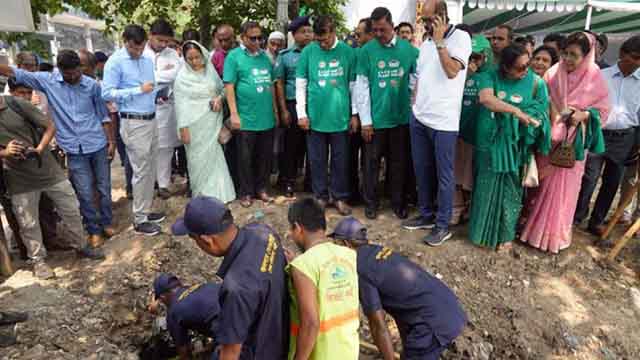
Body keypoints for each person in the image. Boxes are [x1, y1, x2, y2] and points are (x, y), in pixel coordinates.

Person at [1, 50, 116, 248]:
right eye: (67, 74)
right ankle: (93, 230)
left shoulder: (92, 86)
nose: (72, 77)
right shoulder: (48, 81)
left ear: (81, 68)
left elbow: (103, 115)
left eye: (76, 72)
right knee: (84, 192)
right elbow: (15, 73)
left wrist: (111, 141)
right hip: (73, 148)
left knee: (104, 189)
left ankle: (106, 223)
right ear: (60, 70)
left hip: (96, 143)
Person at [521, 32, 609, 253]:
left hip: (571, 147)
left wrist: (585, 115)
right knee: (538, 187)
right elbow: (541, 98)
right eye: (566, 53)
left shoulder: (595, 78)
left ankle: (553, 238)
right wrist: (553, 114)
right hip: (548, 141)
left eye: (574, 55)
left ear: (587, 57)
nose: (568, 59)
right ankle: (529, 231)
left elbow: (604, 112)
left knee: (563, 193)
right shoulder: (553, 72)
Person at [331, 217, 467, 360]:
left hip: (432, 326)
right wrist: (405, 348)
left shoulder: (359, 268)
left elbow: (378, 325)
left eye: (336, 244)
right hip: (451, 309)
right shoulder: (378, 251)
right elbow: (399, 313)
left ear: (345, 244)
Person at [0, 94, 105, 278]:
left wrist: (39, 148)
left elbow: (50, 126)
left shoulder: (15, 104)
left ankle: (81, 246)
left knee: (71, 209)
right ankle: (38, 261)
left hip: (48, 170)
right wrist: (5, 152)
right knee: (28, 223)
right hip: (19, 179)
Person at [171, 196, 288, 360]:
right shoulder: (264, 232)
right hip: (281, 334)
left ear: (207, 240)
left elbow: (231, 353)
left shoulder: (236, 287)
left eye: (194, 239)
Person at [468, 44, 551, 251]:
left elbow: (541, 112)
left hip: (516, 145)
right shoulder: (490, 75)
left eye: (527, 65)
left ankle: (505, 236)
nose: (525, 71)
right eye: (519, 68)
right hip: (488, 141)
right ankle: (481, 235)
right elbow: (486, 98)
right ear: (505, 67)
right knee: (485, 186)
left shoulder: (536, 83)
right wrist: (516, 112)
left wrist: (524, 118)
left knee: (511, 191)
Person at [402, 0, 471, 246]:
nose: (426, 25)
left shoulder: (461, 38)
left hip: (444, 121)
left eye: (430, 20)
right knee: (422, 169)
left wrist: (441, 40)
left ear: (442, 16)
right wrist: (414, 104)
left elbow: (452, 71)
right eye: (424, 20)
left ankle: (442, 225)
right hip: (420, 116)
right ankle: (426, 215)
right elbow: (422, 76)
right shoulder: (427, 43)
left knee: (444, 176)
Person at [103, 24, 167, 236]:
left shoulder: (147, 60)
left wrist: (157, 94)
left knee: (150, 169)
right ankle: (139, 220)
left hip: (151, 118)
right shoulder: (115, 62)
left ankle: (146, 210)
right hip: (133, 121)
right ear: (125, 41)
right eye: (134, 48)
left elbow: (151, 87)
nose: (138, 52)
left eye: (141, 48)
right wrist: (137, 90)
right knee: (140, 171)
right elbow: (108, 93)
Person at [355, 7, 418, 220]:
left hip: (400, 119)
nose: (379, 34)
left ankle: (398, 203)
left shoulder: (409, 51)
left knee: (398, 164)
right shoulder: (366, 51)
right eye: (375, 30)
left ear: (392, 25)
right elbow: (361, 87)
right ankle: (371, 203)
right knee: (370, 164)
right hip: (375, 120)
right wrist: (365, 121)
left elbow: (416, 80)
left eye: (382, 29)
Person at [574, 35, 640, 236]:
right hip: (599, 133)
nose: (637, 63)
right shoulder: (601, 76)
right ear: (622, 54)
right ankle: (577, 217)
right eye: (635, 57)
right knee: (589, 177)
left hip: (626, 137)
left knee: (612, 181)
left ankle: (597, 222)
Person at [296, 15, 358, 216]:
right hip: (315, 117)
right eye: (318, 40)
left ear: (333, 33)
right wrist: (301, 113)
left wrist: (354, 114)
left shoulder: (348, 52)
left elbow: (353, 86)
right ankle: (321, 197)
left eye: (325, 39)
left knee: (341, 160)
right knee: (317, 160)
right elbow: (301, 84)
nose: (322, 43)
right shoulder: (308, 52)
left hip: (340, 117)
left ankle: (339, 197)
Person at [286, 198, 359, 360]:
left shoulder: (302, 266)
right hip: (348, 351)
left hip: (320, 354)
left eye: (291, 230)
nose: (291, 235)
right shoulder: (349, 255)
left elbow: (311, 323)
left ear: (297, 228)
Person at [224, 21, 277, 208]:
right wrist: (234, 114)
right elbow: (229, 86)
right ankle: (245, 192)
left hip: (266, 118)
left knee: (264, 157)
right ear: (243, 38)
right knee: (244, 159)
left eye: (259, 38)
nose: (257, 41)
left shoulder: (265, 58)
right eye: (252, 38)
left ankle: (261, 189)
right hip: (245, 119)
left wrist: (275, 112)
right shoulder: (234, 57)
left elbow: (271, 85)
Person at [174, 41, 235, 202]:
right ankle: (201, 195)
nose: (194, 62)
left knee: (214, 157)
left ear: (203, 55)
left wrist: (219, 99)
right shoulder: (181, 77)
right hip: (193, 125)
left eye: (197, 57)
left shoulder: (210, 71)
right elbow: (180, 105)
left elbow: (222, 89)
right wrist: (183, 128)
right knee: (197, 160)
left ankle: (219, 193)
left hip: (211, 121)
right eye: (190, 59)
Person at [453, 34, 492, 225]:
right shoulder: (457, 73)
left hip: (478, 135)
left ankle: (471, 209)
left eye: (477, 57)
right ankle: (457, 208)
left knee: (471, 175)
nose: (473, 61)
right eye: (470, 57)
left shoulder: (489, 77)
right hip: (457, 131)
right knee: (457, 174)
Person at [275, 16, 314, 197]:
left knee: (313, 145)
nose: (307, 35)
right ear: (294, 34)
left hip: (314, 105)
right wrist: (283, 110)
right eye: (303, 32)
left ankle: (311, 182)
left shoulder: (318, 53)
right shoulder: (285, 56)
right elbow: (279, 83)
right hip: (292, 104)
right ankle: (288, 181)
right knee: (291, 145)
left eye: (309, 31)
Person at [144, 19, 182, 200]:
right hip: (143, 110)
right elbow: (139, 80)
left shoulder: (172, 54)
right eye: (160, 40)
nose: (163, 44)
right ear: (150, 36)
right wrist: (160, 77)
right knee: (145, 149)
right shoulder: (140, 53)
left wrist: (153, 78)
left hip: (166, 108)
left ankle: (164, 185)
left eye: (167, 41)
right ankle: (148, 185)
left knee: (166, 148)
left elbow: (176, 74)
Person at [149, 273, 220, 360]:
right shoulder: (205, 286)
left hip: (232, 337)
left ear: (162, 297)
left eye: (161, 301)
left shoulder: (173, 312)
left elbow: (184, 354)